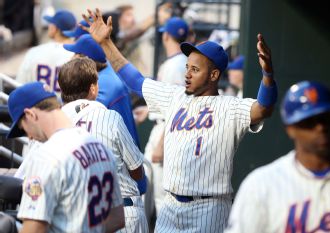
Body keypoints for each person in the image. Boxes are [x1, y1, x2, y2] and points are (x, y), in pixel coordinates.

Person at [81, 8, 277, 232]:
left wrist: (268, 75)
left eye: (195, 69)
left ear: (214, 75)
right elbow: (133, 79)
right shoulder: (174, 96)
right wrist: (106, 43)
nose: (187, 74)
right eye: (187, 67)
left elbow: (263, 109)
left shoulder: (230, 106)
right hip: (170, 207)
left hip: (209, 208)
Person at [225, 81, 330, 233]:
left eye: (326, 118)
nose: (320, 127)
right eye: (309, 122)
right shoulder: (261, 186)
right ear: (290, 129)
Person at [6, 81, 124, 232]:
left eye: (23, 129)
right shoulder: (100, 147)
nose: (29, 137)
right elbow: (117, 218)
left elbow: (33, 229)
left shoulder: (45, 156)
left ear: (30, 114)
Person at [58, 57, 149, 233]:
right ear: (93, 89)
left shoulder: (56, 124)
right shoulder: (110, 117)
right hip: (123, 212)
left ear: (62, 89)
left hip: (77, 219)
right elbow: (137, 171)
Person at [143, 16, 189, 215]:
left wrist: (161, 143)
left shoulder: (175, 66)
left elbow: (177, 107)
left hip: (167, 130)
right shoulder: (182, 62)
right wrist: (147, 110)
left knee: (161, 198)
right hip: (166, 127)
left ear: (166, 36)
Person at [63, 34, 140, 147]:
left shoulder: (101, 84)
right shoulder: (105, 71)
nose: (71, 58)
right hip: (119, 143)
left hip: (120, 151)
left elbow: (79, 117)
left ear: (86, 60)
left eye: (76, 54)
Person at [16, 10, 76, 93]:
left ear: (55, 28)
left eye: (51, 24)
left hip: (36, 104)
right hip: (66, 105)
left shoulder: (34, 52)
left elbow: (20, 84)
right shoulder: (78, 56)